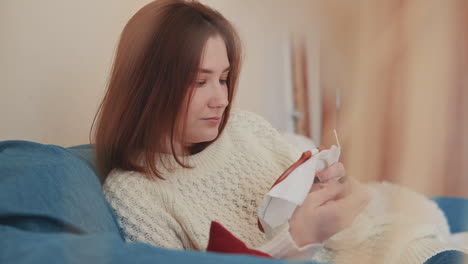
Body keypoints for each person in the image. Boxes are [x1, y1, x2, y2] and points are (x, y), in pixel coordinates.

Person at [92, 0, 369, 258]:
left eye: (224, 79)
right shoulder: (134, 196)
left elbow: (351, 240)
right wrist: (298, 239)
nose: (222, 101)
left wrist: (335, 199)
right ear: (148, 86)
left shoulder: (247, 127)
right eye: (200, 82)